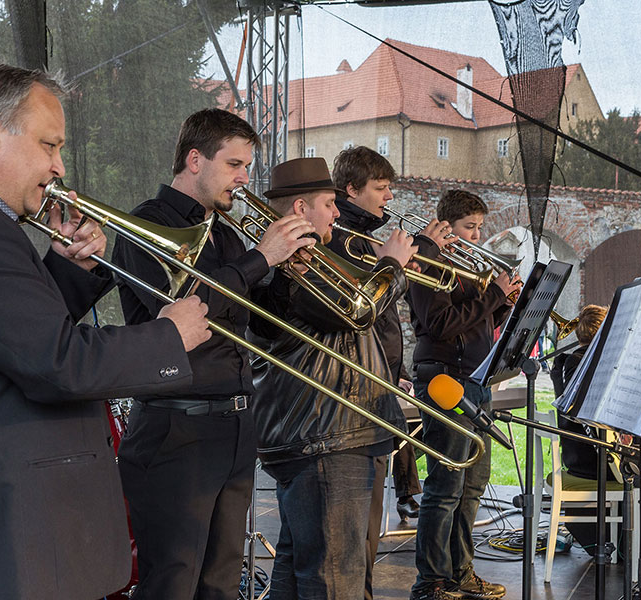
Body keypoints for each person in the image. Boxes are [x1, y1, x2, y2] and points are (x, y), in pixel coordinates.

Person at [0, 64, 212, 600]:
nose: (58, 166)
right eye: (49, 145)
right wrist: (168, 336)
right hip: (0, 552)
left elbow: (15, 340)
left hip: (10, 546)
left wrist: (70, 269)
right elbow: (59, 364)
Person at [111, 109, 315, 600]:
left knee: (221, 582)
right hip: (176, 426)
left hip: (234, 425)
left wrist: (287, 275)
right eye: (235, 164)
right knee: (172, 581)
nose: (245, 178)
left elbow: (257, 323)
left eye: (247, 165)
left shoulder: (222, 233)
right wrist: (260, 258)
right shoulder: (146, 224)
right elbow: (182, 313)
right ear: (195, 159)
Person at [249, 156, 418, 599]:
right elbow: (356, 312)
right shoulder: (297, 266)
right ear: (301, 210)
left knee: (298, 569)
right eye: (329, 203)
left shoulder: (306, 260)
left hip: (322, 432)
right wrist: (393, 267)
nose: (338, 213)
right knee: (334, 578)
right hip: (325, 434)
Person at [330, 145, 452, 600]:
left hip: (376, 380)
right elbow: (362, 306)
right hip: (353, 396)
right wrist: (413, 253)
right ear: (351, 190)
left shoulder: (363, 235)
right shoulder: (344, 235)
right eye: (380, 189)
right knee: (352, 536)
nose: (388, 197)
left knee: (364, 533)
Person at [407, 189, 521, 600]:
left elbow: (478, 322)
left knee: (473, 483)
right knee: (445, 487)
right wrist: (493, 295)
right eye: (469, 228)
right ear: (448, 225)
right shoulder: (429, 261)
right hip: (444, 379)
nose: (476, 237)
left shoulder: (468, 268)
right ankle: (432, 581)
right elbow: (439, 323)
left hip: (475, 379)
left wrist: (504, 303)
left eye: (478, 228)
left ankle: (460, 572)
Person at [552, 305, 641, 574]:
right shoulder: (588, 364)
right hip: (602, 461)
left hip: (590, 455)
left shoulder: (571, 364)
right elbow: (596, 421)